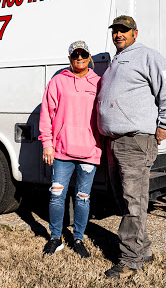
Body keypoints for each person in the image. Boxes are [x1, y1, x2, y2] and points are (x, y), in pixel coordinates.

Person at [97, 15, 166, 279]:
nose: (119, 34)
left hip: (136, 140)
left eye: (124, 30)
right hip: (116, 141)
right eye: (116, 31)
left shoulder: (147, 55)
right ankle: (142, 249)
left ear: (135, 32)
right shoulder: (116, 61)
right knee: (125, 199)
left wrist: (165, 123)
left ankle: (129, 260)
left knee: (133, 201)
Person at [39, 41, 102, 258]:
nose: (79, 58)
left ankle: (78, 239)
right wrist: (47, 143)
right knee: (57, 196)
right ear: (69, 58)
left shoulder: (99, 82)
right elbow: (47, 113)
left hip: (89, 151)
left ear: (89, 56)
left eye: (83, 54)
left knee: (83, 197)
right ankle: (55, 238)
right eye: (75, 54)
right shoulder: (58, 82)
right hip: (62, 151)